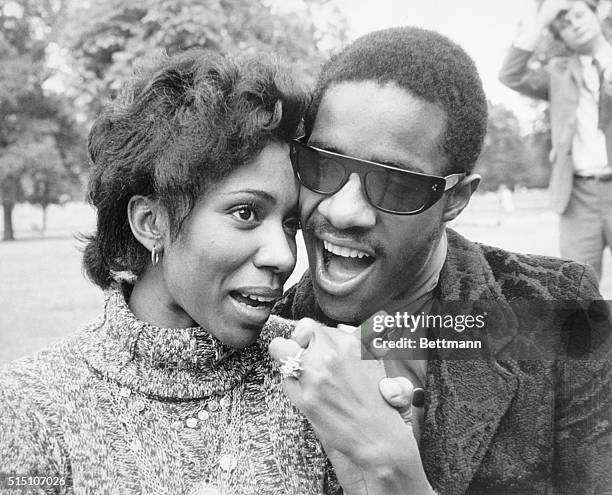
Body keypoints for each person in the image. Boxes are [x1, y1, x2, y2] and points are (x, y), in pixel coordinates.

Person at [269, 26, 612, 494]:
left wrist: (396, 473)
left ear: (455, 199)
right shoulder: (265, 336)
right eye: (324, 164)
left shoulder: (554, 311)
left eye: (394, 184)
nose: (341, 210)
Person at [0, 49, 343, 494]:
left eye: (291, 224)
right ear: (151, 223)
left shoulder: (312, 378)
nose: (283, 255)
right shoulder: (31, 409)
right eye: (245, 212)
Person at [499, 0, 612, 280]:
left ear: (597, 13)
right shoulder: (558, 73)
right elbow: (510, 75)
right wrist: (539, 23)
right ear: (560, 37)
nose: (574, 24)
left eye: (579, 14)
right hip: (578, 197)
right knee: (577, 291)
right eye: (563, 25)